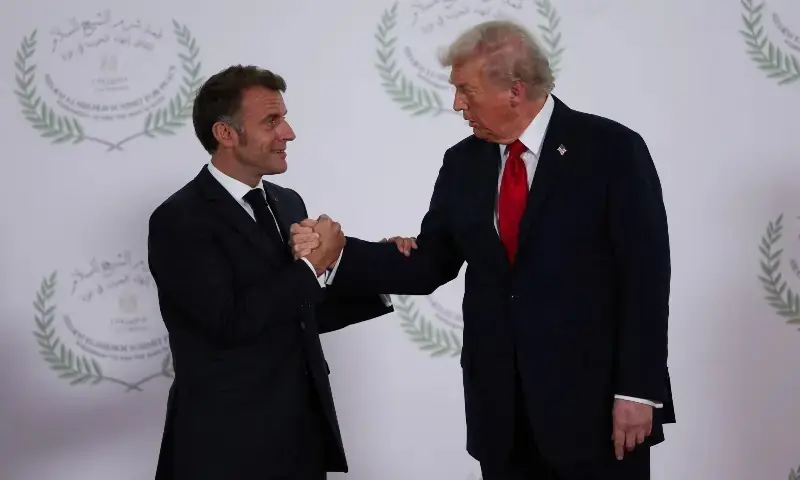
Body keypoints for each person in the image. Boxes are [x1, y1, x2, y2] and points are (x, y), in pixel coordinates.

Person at [291, 20, 674, 480]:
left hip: (596, 410)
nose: (456, 104)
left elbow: (646, 279)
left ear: (514, 90)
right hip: (502, 414)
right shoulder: (463, 162)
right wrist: (338, 253)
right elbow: (431, 261)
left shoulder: (612, 150)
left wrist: (637, 391)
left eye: (465, 90)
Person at [147, 65, 393, 480]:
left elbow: (297, 311)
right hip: (225, 447)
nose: (289, 133)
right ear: (225, 134)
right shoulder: (179, 220)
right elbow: (229, 322)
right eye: (271, 121)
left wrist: (377, 269)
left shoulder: (287, 201)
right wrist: (312, 266)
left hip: (301, 438)